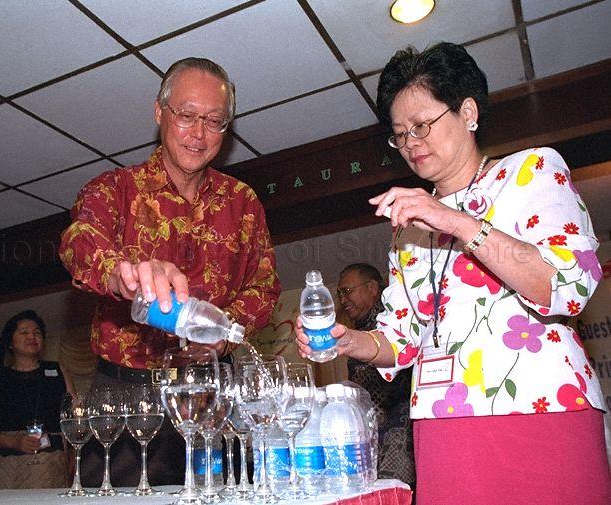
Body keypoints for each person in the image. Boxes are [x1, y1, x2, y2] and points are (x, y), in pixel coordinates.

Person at [296, 42, 609, 504]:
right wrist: (350, 341)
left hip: (543, 406)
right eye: (400, 134)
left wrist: (454, 220)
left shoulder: (531, 171)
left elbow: (569, 284)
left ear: (467, 112)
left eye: (421, 125)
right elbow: (400, 339)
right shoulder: (408, 231)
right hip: (443, 422)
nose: (411, 144)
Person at [59, 56, 281, 486]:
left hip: (214, 395)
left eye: (214, 122)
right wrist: (122, 274)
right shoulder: (115, 189)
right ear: (160, 112)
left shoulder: (243, 201)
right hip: (126, 401)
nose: (199, 134)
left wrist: (224, 331)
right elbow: (78, 240)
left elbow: (265, 286)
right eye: (186, 116)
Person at [0, 310, 76, 489]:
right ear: (10, 342)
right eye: (24, 332)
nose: (32, 336)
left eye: (37, 332)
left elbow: (75, 416)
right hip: (9, 465)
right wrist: (14, 442)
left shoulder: (58, 370)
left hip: (52, 461)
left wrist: (75, 454)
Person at [337, 263, 414, 485]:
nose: (343, 300)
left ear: (372, 288)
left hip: (400, 440)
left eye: (348, 291)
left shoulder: (394, 323)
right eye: (340, 293)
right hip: (374, 439)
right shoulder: (359, 330)